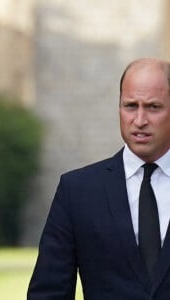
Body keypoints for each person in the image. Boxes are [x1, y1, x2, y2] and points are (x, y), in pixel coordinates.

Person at [27, 57, 170, 299]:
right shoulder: (77, 192)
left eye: (153, 107)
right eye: (130, 106)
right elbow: (48, 292)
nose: (140, 120)